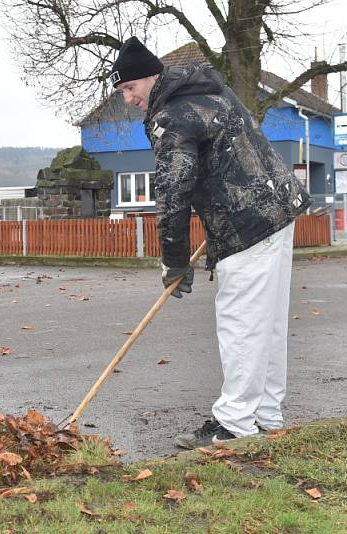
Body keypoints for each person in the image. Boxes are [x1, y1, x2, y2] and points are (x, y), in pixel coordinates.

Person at [109, 37, 310, 448]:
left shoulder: (173, 116)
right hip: (277, 210)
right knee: (266, 323)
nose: (128, 99)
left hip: (247, 223)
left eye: (130, 88)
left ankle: (235, 422)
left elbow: (173, 193)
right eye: (122, 92)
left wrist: (174, 263)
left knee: (241, 322)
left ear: (152, 77)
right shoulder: (208, 90)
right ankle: (266, 415)